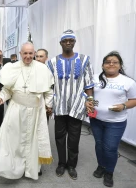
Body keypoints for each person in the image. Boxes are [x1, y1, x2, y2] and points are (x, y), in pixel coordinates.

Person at [0, 42, 53, 180]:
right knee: (14, 140)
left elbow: (48, 91)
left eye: (30, 53)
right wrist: (1, 97)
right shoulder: (12, 68)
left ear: (34, 53)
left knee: (33, 141)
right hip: (16, 110)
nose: (28, 56)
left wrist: (49, 106)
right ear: (20, 54)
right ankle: (14, 169)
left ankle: (32, 169)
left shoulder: (42, 69)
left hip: (35, 111)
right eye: (25, 53)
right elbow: (7, 90)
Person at [47, 29, 94, 180]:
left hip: (77, 105)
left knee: (74, 138)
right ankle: (61, 163)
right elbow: (48, 85)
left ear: (74, 42)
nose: (68, 43)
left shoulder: (84, 59)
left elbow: (89, 84)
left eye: (71, 40)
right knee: (59, 137)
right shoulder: (52, 62)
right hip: (59, 105)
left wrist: (90, 102)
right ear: (60, 43)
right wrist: (48, 104)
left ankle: (72, 165)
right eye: (65, 40)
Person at [87, 51, 136, 187]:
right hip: (96, 120)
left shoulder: (128, 82)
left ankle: (109, 171)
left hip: (116, 122)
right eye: (108, 62)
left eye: (115, 62)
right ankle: (101, 166)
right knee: (99, 145)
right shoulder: (95, 78)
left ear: (120, 66)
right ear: (103, 65)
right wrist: (89, 99)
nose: (111, 64)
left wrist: (123, 105)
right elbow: (88, 90)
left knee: (110, 148)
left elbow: (134, 100)